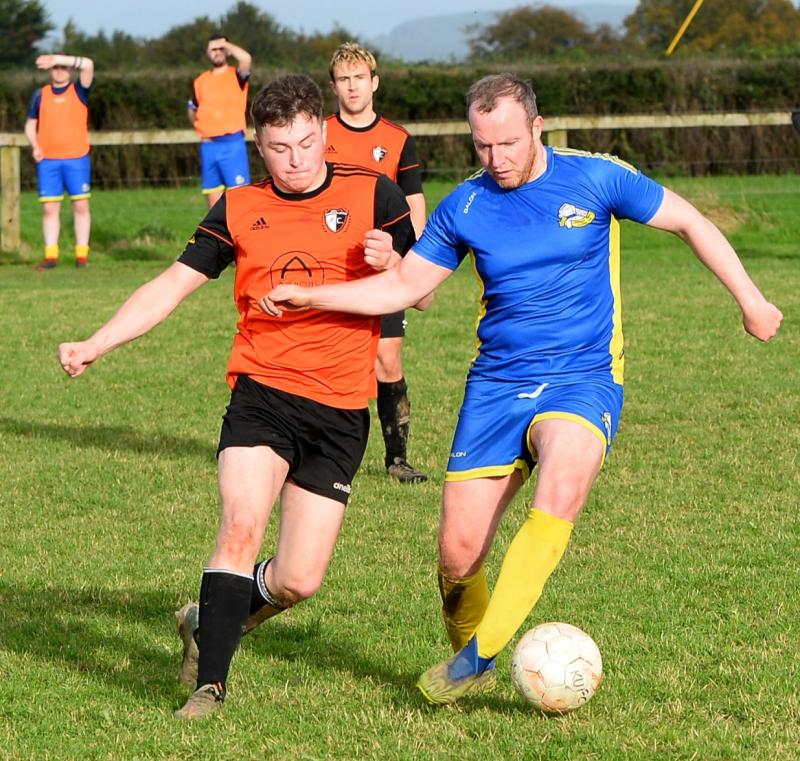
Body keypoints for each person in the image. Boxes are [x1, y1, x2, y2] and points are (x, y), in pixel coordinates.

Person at [261, 73, 784, 705]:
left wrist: (751, 300)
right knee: (457, 558)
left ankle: (475, 660)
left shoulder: (597, 177)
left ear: (536, 127)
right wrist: (313, 294)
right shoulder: (466, 205)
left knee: (561, 484)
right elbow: (405, 291)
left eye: (508, 143)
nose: (497, 159)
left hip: (583, 375)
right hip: (497, 385)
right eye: (482, 147)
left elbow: (690, 222)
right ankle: (469, 650)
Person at [58, 73, 418, 719]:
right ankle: (210, 687)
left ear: (324, 132)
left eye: (307, 142)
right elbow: (171, 284)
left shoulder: (375, 195)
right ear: (260, 144)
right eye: (280, 147)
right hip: (263, 393)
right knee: (241, 526)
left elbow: (420, 287)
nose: (297, 159)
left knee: (298, 579)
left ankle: (208, 618)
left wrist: (393, 258)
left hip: (341, 408)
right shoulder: (238, 206)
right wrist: (97, 341)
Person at [326, 42, 428, 484]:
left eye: (359, 78)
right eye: (343, 79)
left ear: (374, 83)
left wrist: (420, 267)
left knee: (387, 359)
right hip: (329, 266)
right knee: (330, 360)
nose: (352, 87)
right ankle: (322, 453)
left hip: (384, 265)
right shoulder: (319, 133)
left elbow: (415, 205)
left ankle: (397, 459)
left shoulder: (397, 139)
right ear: (334, 87)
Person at [24, 53, 95, 270]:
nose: (59, 70)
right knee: (49, 209)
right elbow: (30, 124)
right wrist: (35, 145)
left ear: (70, 70)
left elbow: (88, 64)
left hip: (77, 159)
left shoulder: (80, 90)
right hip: (48, 161)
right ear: (49, 71)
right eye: (55, 67)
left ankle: (81, 256)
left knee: (81, 205)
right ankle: (51, 256)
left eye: (63, 67)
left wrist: (57, 57)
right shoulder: (40, 95)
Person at [189, 34, 252, 208]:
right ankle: (217, 236)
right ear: (207, 52)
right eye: (213, 49)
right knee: (214, 208)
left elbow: (246, 58)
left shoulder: (237, 75)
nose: (217, 52)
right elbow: (192, 108)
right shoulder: (200, 81)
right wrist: (199, 127)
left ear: (227, 51)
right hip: (209, 147)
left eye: (220, 49)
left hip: (232, 145)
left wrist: (226, 44)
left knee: (239, 201)